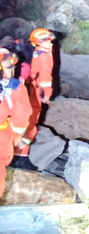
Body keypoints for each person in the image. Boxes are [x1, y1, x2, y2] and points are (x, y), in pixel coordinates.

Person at [14, 28, 54, 158]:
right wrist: (47, 93)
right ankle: (21, 154)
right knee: (31, 122)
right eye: (47, 40)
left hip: (32, 88)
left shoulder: (37, 53)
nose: (50, 42)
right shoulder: (45, 57)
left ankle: (18, 151)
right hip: (37, 91)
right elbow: (45, 76)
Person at [0, 48, 32, 197]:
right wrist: (18, 140)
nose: (12, 71)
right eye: (9, 67)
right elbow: (21, 115)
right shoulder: (14, 88)